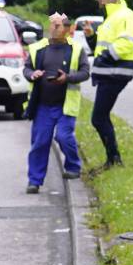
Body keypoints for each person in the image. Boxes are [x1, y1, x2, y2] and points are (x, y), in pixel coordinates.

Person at [23, 13, 89, 192]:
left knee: (63, 137)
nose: (54, 28)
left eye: (58, 25)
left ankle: (73, 167)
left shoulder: (76, 49)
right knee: (40, 142)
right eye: (52, 25)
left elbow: (85, 72)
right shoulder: (37, 48)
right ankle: (34, 181)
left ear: (67, 30)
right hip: (43, 106)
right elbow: (27, 68)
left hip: (65, 105)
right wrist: (32, 74)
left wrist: (67, 78)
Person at [88, 0, 133, 168]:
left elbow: (127, 43)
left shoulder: (125, 15)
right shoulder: (112, 17)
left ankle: (114, 159)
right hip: (109, 72)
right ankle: (113, 159)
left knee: (98, 118)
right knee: (101, 117)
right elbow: (100, 48)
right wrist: (91, 38)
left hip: (115, 72)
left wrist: (104, 57)